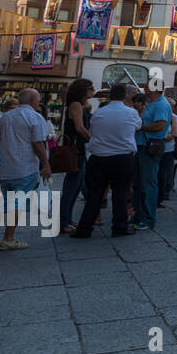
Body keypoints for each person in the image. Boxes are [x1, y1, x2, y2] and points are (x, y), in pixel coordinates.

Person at [70, 84, 142, 239]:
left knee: (95, 194)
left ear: (110, 96)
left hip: (100, 157)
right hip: (123, 157)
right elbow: (137, 127)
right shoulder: (131, 113)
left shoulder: (99, 113)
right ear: (124, 96)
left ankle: (85, 228)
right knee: (121, 192)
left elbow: (93, 129)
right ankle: (119, 226)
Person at [0, 89, 50, 250]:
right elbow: (38, 144)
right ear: (34, 101)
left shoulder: (5, 117)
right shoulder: (35, 118)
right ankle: (9, 238)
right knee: (17, 203)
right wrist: (46, 163)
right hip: (24, 167)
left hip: (3, 166)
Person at [132, 86, 171, 231]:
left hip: (149, 146)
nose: (144, 90)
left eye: (147, 87)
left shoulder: (161, 104)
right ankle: (139, 215)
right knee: (139, 183)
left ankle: (148, 218)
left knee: (148, 183)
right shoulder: (153, 103)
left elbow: (160, 125)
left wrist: (140, 126)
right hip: (142, 145)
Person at [60, 79, 93, 234]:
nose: (93, 90)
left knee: (77, 185)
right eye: (90, 88)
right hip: (76, 150)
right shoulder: (76, 105)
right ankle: (63, 221)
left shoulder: (80, 105)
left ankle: (67, 219)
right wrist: (93, 140)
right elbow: (80, 128)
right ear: (82, 90)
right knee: (72, 186)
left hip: (78, 149)